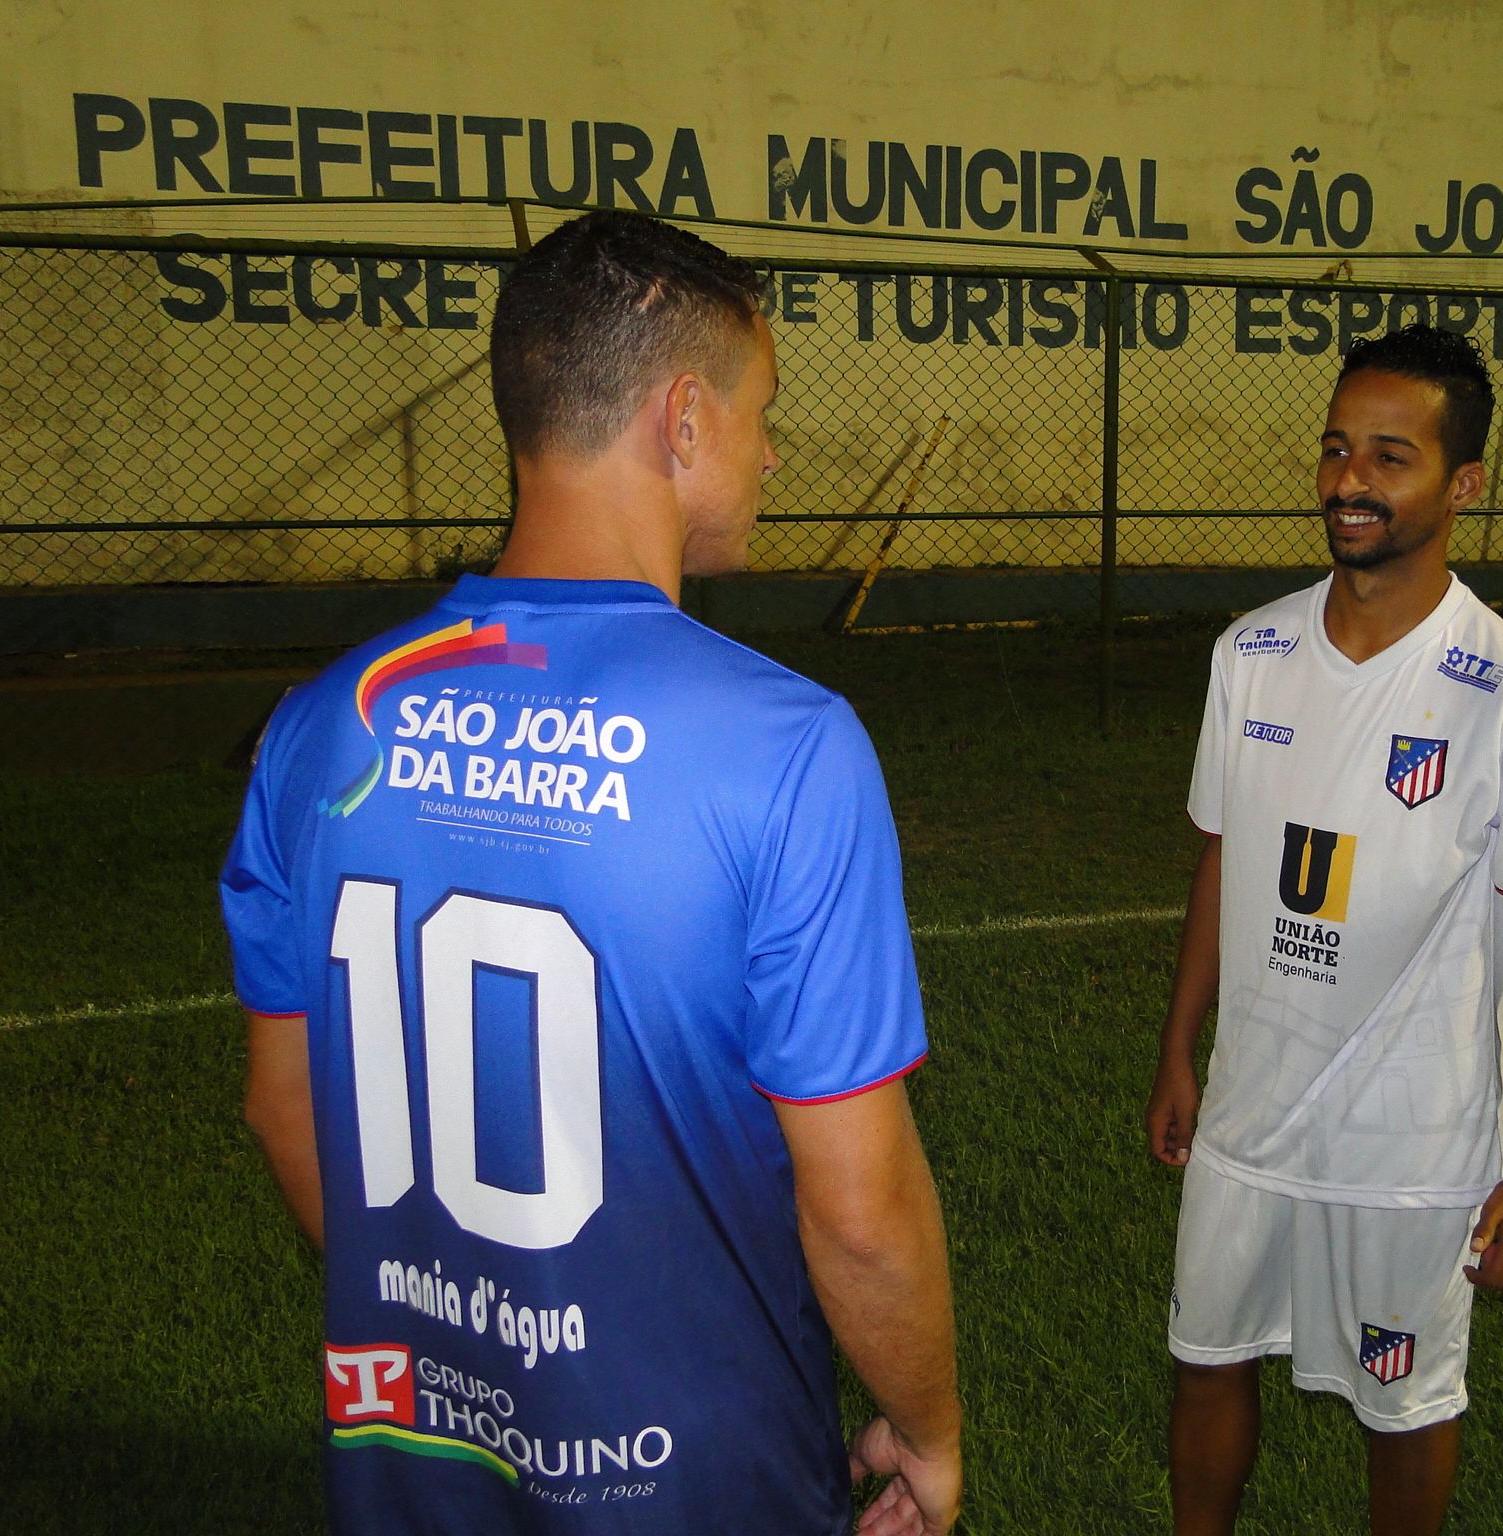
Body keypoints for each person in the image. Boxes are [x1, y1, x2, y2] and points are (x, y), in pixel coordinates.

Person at [223, 210, 961, 1536]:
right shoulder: (785, 748)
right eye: (759, 414)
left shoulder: (321, 724)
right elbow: (859, 1210)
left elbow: (285, 1109)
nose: (770, 452)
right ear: (682, 420)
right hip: (701, 1478)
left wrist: (464, 1325)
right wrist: (927, 1430)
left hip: (422, 1461)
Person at [1144, 324, 1503, 1536]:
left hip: (1411, 1149)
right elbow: (1223, 856)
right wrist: (1180, 1046)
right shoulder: (1249, 655)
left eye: (1390, 457)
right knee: (1204, 1361)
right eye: (1336, 449)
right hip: (1248, 1114)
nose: (1348, 480)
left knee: (1402, 1410)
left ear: (1462, 485)